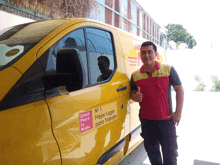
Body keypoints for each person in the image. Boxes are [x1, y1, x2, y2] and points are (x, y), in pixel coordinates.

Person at [130, 41, 184, 165]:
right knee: (153, 155)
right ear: (140, 55)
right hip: (147, 122)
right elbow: (132, 94)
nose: (146, 55)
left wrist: (178, 113)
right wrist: (135, 96)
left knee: (170, 156)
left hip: (166, 121)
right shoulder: (135, 75)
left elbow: (179, 89)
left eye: (150, 52)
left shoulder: (168, 69)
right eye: (143, 53)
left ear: (155, 53)